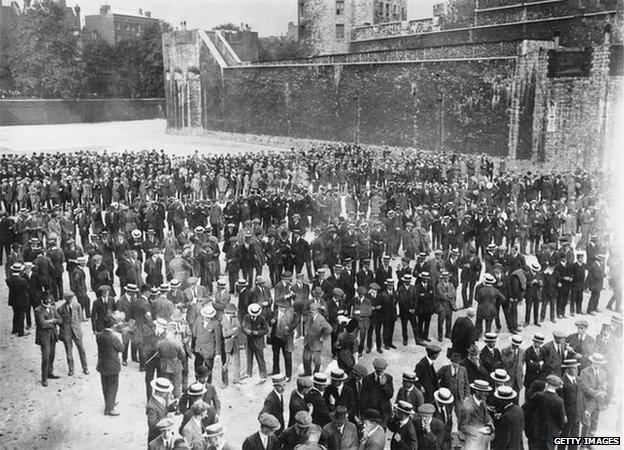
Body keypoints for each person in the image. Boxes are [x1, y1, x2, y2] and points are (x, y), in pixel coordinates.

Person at [527, 375, 566, 450]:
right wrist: (559, 429)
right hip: (551, 433)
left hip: (537, 430)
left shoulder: (539, 395)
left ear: (547, 384)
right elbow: (561, 418)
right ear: (557, 387)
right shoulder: (560, 401)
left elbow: (529, 403)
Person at [95, 314, 123, 415]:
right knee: (113, 386)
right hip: (112, 365)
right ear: (112, 325)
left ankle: (109, 403)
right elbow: (121, 348)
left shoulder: (98, 335)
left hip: (102, 364)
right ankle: (109, 409)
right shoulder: (114, 337)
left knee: (105, 386)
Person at [57, 291, 89, 376]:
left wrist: (76, 326)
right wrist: (64, 328)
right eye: (67, 299)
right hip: (67, 333)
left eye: (70, 298)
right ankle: (71, 369)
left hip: (76, 331)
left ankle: (85, 367)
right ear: (65, 299)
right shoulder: (61, 308)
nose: (69, 300)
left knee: (82, 350)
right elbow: (59, 321)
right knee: (69, 352)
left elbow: (80, 317)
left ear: (73, 298)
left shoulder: (77, 306)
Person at [34, 290, 61, 386]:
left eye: (50, 299)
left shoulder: (53, 308)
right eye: (46, 300)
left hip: (53, 335)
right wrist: (53, 322)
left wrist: (50, 321)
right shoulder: (38, 310)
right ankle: (44, 378)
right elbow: (42, 324)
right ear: (42, 300)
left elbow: (60, 320)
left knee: (52, 355)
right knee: (45, 357)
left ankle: (50, 372)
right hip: (44, 337)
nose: (49, 301)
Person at [269, 296, 300, 381]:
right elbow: (269, 322)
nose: (281, 309)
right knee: (275, 356)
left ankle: (288, 375)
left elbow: (297, 320)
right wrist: (271, 322)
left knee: (287, 356)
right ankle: (275, 372)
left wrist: (289, 327)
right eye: (280, 307)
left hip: (287, 338)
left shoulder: (291, 312)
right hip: (276, 337)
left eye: (283, 307)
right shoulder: (275, 312)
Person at [457, 380, 494, 449]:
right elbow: (462, 426)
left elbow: (487, 416)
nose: (487, 394)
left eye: (487, 392)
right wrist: (479, 430)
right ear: (477, 392)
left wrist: (490, 423)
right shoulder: (467, 407)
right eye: (484, 392)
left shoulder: (483, 401)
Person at [579, 353, 608, 439]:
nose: (597, 365)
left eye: (599, 364)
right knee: (586, 424)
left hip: (598, 403)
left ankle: (590, 442)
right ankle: (583, 445)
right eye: (595, 363)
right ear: (592, 362)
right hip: (587, 402)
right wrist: (598, 393)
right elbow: (585, 388)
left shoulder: (603, 373)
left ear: (601, 364)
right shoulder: (585, 372)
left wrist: (602, 392)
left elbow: (604, 387)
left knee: (594, 424)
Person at [360, 357, 394, 427]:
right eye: (378, 370)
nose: (380, 372)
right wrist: (362, 413)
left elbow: (390, 395)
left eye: (382, 370)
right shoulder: (367, 379)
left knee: (381, 431)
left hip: (383, 411)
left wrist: (384, 385)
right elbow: (363, 397)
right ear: (375, 368)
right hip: (371, 410)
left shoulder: (389, 378)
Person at [192, 304, 222, 381]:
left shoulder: (215, 324)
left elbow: (218, 339)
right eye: (205, 317)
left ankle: (208, 385)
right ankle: (198, 383)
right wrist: (193, 347)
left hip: (209, 351)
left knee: (208, 370)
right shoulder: (198, 320)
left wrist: (218, 353)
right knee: (197, 367)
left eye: (209, 317)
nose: (207, 319)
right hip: (198, 349)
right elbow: (194, 334)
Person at [559, 359, 584, 450]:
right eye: (574, 368)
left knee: (574, 438)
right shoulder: (562, 382)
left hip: (577, 415)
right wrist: (563, 415)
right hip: (567, 416)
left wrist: (583, 410)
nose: (576, 369)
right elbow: (560, 401)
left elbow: (581, 397)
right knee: (564, 438)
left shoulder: (579, 380)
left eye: (577, 367)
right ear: (567, 369)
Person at [302, 303, 332, 376]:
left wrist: (323, 337)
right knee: (306, 358)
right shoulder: (309, 317)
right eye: (311, 309)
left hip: (316, 342)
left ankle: (316, 373)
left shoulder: (321, 319)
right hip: (308, 341)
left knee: (316, 360)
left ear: (317, 310)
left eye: (314, 310)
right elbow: (305, 325)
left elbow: (329, 329)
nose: (312, 311)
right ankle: (307, 372)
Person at [146, 377, 178, 444]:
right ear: (160, 392)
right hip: (156, 437)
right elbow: (152, 425)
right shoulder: (151, 406)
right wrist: (166, 419)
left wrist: (170, 408)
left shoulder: (162, 399)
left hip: (164, 434)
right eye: (166, 391)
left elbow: (163, 410)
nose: (168, 393)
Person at [243, 303, 269, 382]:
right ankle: (248, 372)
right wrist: (246, 331)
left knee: (260, 358)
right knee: (249, 356)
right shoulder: (246, 317)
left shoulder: (262, 319)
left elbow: (266, 330)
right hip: (249, 340)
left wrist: (257, 333)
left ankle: (263, 375)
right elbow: (243, 327)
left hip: (258, 341)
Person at [220, 303, 243, 387]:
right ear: (228, 312)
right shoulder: (222, 320)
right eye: (233, 312)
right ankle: (224, 382)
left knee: (237, 361)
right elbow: (224, 334)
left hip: (235, 343)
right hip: (226, 344)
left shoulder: (235, 318)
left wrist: (234, 332)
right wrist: (233, 330)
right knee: (226, 363)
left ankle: (236, 379)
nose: (235, 314)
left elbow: (239, 328)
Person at [7, 263, 30, 337]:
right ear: (20, 271)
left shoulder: (9, 280)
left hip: (13, 300)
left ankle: (15, 329)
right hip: (22, 300)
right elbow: (28, 287)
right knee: (21, 315)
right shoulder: (22, 280)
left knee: (15, 314)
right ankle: (21, 331)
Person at [524, 333, 546, 400]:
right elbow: (530, 365)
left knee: (538, 397)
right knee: (529, 396)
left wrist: (535, 363)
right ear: (534, 341)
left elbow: (545, 364)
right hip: (530, 378)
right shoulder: (528, 351)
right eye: (537, 342)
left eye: (540, 343)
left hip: (540, 378)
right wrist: (540, 364)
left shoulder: (543, 351)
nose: (538, 344)